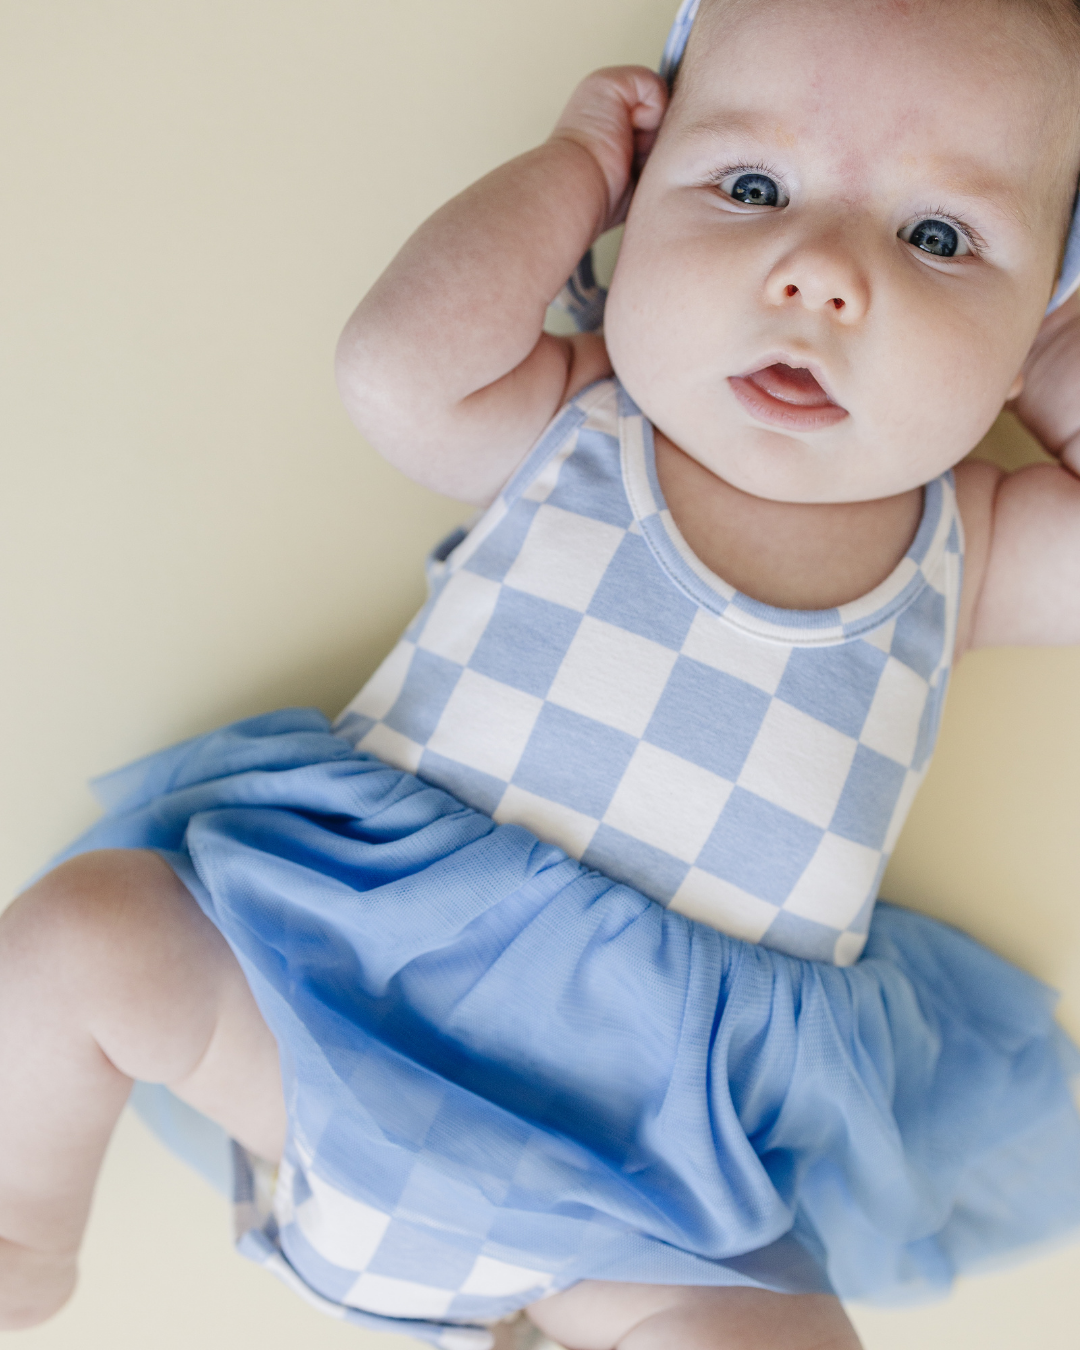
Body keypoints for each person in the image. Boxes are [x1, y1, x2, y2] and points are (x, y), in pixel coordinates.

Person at [4, 0, 1080, 1346]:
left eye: (940, 238)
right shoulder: (574, 421)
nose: (821, 274)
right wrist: (570, 171)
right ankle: (18, 1227)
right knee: (82, 937)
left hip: (640, 1192)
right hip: (325, 1022)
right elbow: (393, 370)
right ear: (637, 201)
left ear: (1038, 311)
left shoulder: (972, 542)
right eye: (751, 187)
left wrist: (1052, 362)